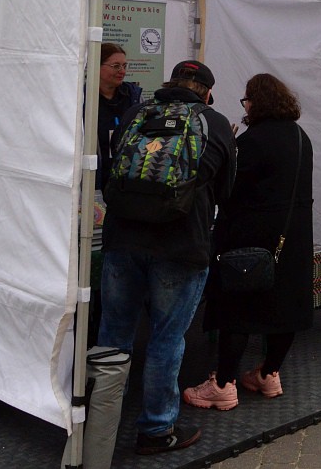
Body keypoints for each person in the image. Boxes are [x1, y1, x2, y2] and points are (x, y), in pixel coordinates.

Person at [97, 60, 236, 455]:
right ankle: (156, 430)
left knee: (113, 333)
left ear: (171, 84)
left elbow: (112, 172)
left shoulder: (134, 113)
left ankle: (100, 422)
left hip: (122, 238)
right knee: (165, 338)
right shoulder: (214, 121)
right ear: (206, 91)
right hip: (180, 243)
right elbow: (227, 193)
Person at [182, 73, 314, 411]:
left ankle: (223, 385)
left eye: (247, 100)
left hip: (250, 237)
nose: (246, 106)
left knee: (237, 310)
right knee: (284, 309)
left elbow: (229, 190)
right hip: (292, 239)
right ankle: (269, 373)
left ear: (257, 102)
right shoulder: (301, 137)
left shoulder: (253, 140)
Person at [97, 43, 143, 190]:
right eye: (116, 66)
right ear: (96, 66)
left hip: (127, 176)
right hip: (97, 176)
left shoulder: (133, 96)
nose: (122, 71)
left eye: (124, 66)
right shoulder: (84, 99)